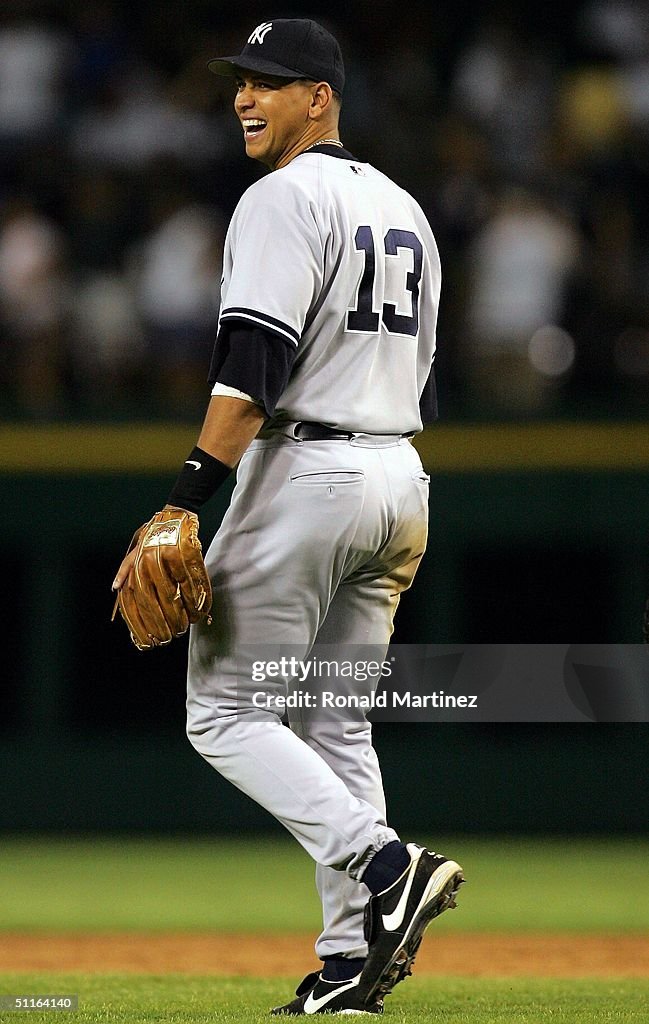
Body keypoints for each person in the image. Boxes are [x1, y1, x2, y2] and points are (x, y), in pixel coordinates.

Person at [113, 18, 464, 1016]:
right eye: (241, 80)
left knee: (223, 711)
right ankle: (354, 961)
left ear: (323, 96)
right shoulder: (404, 207)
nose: (245, 95)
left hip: (306, 472)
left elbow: (252, 368)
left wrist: (183, 497)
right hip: (398, 475)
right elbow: (426, 387)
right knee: (333, 721)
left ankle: (387, 866)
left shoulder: (281, 196)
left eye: (272, 80)